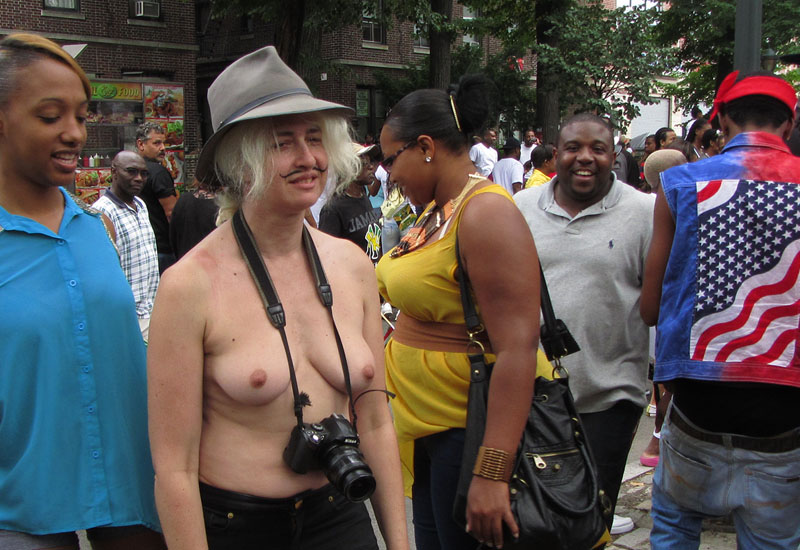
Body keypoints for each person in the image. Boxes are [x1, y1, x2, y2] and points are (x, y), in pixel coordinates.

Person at [147, 46, 408, 550]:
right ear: (238, 161)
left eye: (314, 137)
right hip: (239, 528)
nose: (307, 158)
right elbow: (174, 468)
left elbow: (376, 421)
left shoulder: (352, 266)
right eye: (281, 143)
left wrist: (399, 544)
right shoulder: (189, 286)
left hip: (341, 514)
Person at [0, 33, 163, 549]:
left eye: (81, 116)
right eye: (51, 116)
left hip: (131, 491)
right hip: (22, 508)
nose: (74, 133)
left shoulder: (96, 229)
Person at [376, 75, 543, 550]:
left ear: (425, 146)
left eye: (392, 159)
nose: (388, 174)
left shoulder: (485, 212)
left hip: (466, 430)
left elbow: (518, 348)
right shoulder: (436, 211)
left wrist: (492, 471)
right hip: (427, 425)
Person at [641, 70, 800, 550]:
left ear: (722, 122)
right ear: (789, 124)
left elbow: (651, 308)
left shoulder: (678, 184)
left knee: (673, 527)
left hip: (698, 401)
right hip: (784, 409)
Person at [515, 113, 655, 536]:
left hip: (609, 397)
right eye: (574, 148)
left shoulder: (644, 212)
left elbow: (660, 300)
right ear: (556, 154)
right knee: (532, 519)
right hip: (530, 394)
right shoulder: (520, 207)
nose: (585, 157)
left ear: (615, 156)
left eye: (598, 149)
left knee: (590, 521)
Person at [92, 150, 159, 340]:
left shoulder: (140, 205)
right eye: (131, 171)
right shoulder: (102, 212)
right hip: (127, 316)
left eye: (144, 174)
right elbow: (102, 271)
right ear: (114, 172)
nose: (139, 178)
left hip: (150, 307)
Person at [319, 143, 383, 263]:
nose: (371, 167)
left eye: (370, 162)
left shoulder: (362, 196)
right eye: (364, 163)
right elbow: (326, 258)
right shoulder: (333, 209)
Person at [135, 121, 177, 273]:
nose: (163, 148)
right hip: (161, 248)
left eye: (164, 143)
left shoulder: (130, 170)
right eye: (157, 143)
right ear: (141, 144)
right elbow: (172, 213)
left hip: (140, 247)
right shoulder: (158, 173)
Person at [169, 178, 218, 260]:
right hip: (211, 262)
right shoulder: (223, 207)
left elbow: (173, 236)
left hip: (185, 261)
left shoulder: (183, 200)